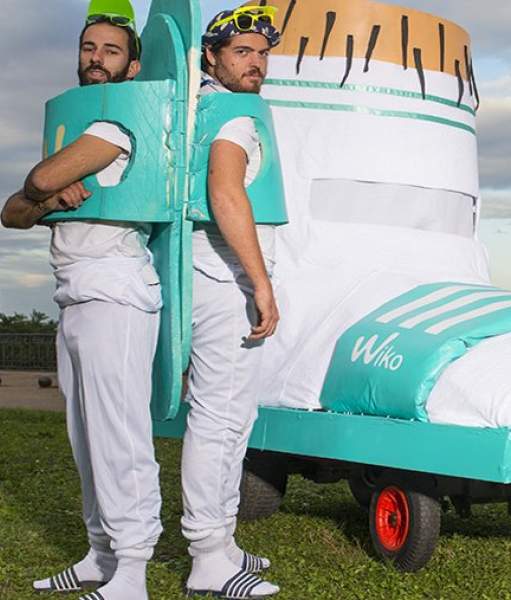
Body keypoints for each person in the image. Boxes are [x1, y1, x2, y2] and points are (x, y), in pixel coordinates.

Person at [1, 2, 162, 599]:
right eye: (89, 47)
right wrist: (46, 197)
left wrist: (44, 188)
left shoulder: (115, 125)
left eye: (110, 50)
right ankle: (101, 555)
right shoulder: (76, 127)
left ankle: (133, 571)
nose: (96, 58)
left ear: (132, 66)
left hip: (116, 292)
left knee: (120, 436)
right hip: (74, 295)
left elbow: (37, 182)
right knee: (86, 438)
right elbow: (12, 212)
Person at [181, 5, 283, 598]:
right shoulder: (234, 116)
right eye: (242, 52)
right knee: (219, 417)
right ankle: (206, 557)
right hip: (225, 276)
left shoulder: (202, 107)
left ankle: (221, 542)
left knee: (230, 416)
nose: (256, 63)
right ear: (211, 57)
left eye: (262, 54)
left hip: (213, 271)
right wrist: (260, 281)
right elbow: (225, 191)